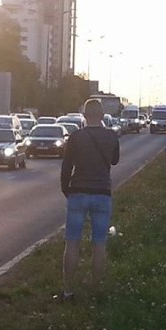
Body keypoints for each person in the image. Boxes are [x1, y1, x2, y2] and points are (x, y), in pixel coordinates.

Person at [59, 98, 120, 301]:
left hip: (78, 192)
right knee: (99, 243)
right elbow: (115, 160)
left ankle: (68, 290)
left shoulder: (75, 137)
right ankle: (96, 288)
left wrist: (67, 190)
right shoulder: (111, 136)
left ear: (84, 115)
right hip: (102, 193)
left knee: (72, 243)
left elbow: (66, 168)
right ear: (102, 115)